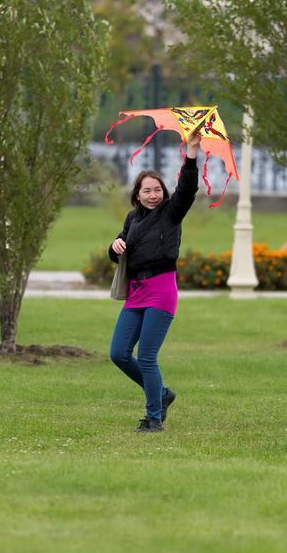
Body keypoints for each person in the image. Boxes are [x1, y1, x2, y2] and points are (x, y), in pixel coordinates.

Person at [107, 130, 202, 433]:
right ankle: (161, 394)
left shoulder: (171, 214)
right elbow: (120, 247)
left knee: (147, 357)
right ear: (137, 195)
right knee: (119, 353)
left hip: (161, 291)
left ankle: (153, 418)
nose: (153, 195)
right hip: (136, 293)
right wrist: (114, 247)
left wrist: (190, 154)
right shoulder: (132, 219)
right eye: (146, 191)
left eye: (157, 190)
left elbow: (187, 189)